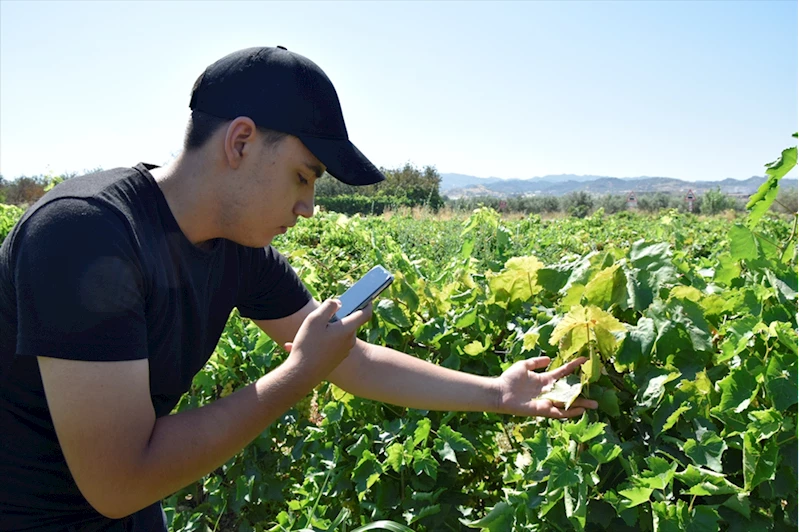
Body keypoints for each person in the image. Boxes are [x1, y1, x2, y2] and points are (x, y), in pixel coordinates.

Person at [0, 46, 596, 531]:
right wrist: (295, 376)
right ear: (240, 142)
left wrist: (497, 392)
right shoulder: (83, 235)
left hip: (127, 512)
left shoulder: (240, 250)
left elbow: (351, 359)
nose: (309, 207)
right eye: (304, 176)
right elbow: (117, 479)